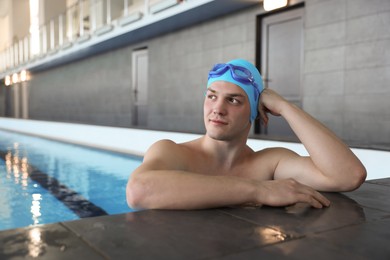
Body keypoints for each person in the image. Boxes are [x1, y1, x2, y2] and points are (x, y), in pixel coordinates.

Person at [126, 59, 366, 210]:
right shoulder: (172, 151)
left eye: (233, 100)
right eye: (212, 96)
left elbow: (348, 175)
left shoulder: (269, 164)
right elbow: (139, 191)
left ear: (254, 111)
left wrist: (284, 107)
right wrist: (259, 190)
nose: (217, 109)